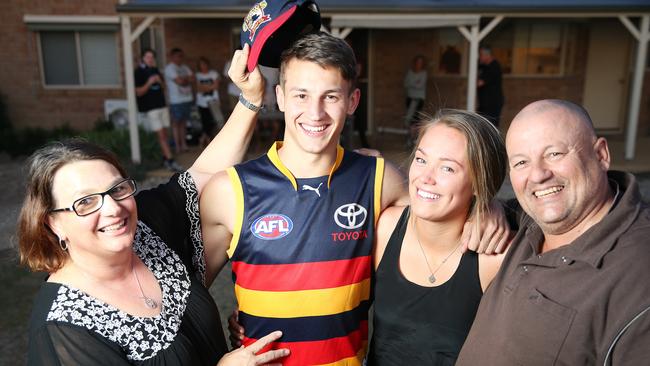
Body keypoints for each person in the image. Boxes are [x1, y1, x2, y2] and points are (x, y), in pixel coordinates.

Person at [19, 45, 288, 365]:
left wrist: (250, 99)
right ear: (52, 222)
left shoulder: (144, 228)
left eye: (117, 189)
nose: (112, 209)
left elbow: (201, 175)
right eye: (85, 202)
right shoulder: (63, 331)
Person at [201, 31, 409, 366]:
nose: (315, 113)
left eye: (330, 97)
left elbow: (444, 215)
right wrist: (223, 356)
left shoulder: (380, 179)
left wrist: (485, 211)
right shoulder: (229, 190)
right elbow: (188, 296)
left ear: (353, 101)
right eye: (301, 95)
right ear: (280, 97)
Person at [457, 99, 650, 364]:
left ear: (601, 155)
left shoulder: (638, 278)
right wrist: (487, 206)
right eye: (521, 162)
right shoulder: (525, 220)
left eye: (554, 154)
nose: (537, 175)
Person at [367, 110, 508, 365]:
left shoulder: (493, 258)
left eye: (447, 168)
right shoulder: (385, 229)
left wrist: (492, 206)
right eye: (421, 160)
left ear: (479, 183)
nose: (425, 178)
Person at [134, 49, 182, 172]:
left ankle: (165, 159)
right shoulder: (138, 72)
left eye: (152, 57)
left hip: (162, 106)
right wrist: (149, 83)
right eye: (147, 57)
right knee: (161, 136)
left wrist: (160, 82)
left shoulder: (156, 70)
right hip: (151, 108)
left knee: (165, 135)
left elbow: (165, 88)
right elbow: (138, 92)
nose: (150, 59)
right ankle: (171, 161)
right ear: (142, 59)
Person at [164, 48, 194, 153]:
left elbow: (192, 78)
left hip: (187, 98)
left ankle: (184, 145)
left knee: (184, 123)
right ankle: (177, 146)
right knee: (176, 123)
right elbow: (180, 81)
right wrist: (185, 79)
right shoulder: (169, 69)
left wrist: (184, 79)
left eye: (181, 56)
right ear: (172, 57)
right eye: (178, 56)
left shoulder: (185, 67)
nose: (180, 58)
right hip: (176, 100)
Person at [195, 57, 224, 147]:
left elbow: (216, 86)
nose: (203, 66)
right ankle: (206, 140)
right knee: (205, 121)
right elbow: (198, 89)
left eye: (205, 64)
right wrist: (210, 86)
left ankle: (205, 139)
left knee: (216, 121)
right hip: (202, 102)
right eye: (201, 64)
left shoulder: (214, 74)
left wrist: (205, 88)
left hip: (213, 101)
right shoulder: (197, 75)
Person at [477, 45, 504, 127]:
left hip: (492, 103)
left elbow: (480, 83)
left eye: (481, 55)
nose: (479, 57)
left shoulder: (494, 66)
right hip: (485, 104)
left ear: (487, 55)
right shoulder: (484, 66)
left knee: (490, 127)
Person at [404, 55, 427, 145]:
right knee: (409, 119)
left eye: (421, 63)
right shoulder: (410, 72)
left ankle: (413, 139)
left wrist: (412, 83)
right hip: (410, 98)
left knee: (415, 120)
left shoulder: (424, 73)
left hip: (419, 99)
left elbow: (420, 85)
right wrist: (415, 83)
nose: (419, 64)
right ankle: (410, 139)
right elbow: (406, 84)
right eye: (417, 62)